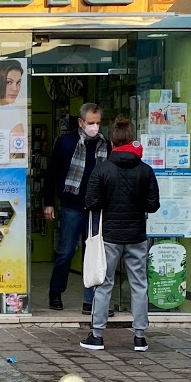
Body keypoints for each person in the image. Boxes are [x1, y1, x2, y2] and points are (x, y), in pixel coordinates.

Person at [81, 116, 161, 354]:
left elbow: (91, 201)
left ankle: (97, 335)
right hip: (136, 234)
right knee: (139, 284)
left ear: (113, 143)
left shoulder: (103, 169)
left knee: (104, 284)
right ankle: (139, 337)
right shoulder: (145, 171)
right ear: (132, 139)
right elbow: (153, 204)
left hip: (110, 235)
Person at [42, 103, 110, 312]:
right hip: (72, 205)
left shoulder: (105, 145)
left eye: (98, 123)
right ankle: (56, 292)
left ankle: (90, 301)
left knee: (94, 254)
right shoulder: (65, 143)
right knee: (66, 252)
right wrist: (48, 203)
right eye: (91, 123)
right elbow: (51, 174)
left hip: (96, 208)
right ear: (81, 122)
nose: (95, 127)